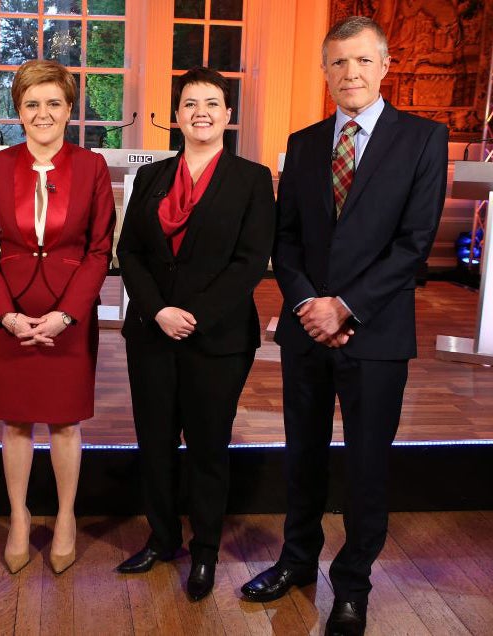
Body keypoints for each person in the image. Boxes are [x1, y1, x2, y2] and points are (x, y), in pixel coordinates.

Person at [240, 16, 448, 636]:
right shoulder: (303, 143)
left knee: (365, 464)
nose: (350, 73)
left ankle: (352, 583)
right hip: (308, 330)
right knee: (301, 455)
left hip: (376, 334)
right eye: (338, 63)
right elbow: (287, 240)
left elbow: (414, 246)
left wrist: (345, 308)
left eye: (362, 61)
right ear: (325, 72)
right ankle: (297, 560)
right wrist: (310, 305)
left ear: (385, 67)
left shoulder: (422, 139)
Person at [114, 67, 275, 601]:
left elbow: (250, 262)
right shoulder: (152, 176)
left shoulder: (251, 179)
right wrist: (158, 310)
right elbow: (130, 252)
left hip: (218, 340)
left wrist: (194, 315)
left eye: (212, 102)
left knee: (208, 447)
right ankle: (162, 539)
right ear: (176, 115)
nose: (200, 111)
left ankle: (204, 550)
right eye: (190, 103)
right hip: (153, 334)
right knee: (155, 443)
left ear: (227, 116)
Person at [0, 59, 115, 576]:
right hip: (12, 312)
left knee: (65, 424)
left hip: (67, 316)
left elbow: (99, 250)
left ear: (70, 109)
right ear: (19, 112)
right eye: (32, 104)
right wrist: (3, 315)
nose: (43, 113)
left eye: (54, 103)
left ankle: (67, 517)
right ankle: (17, 517)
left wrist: (67, 316)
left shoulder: (92, 167)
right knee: (15, 423)